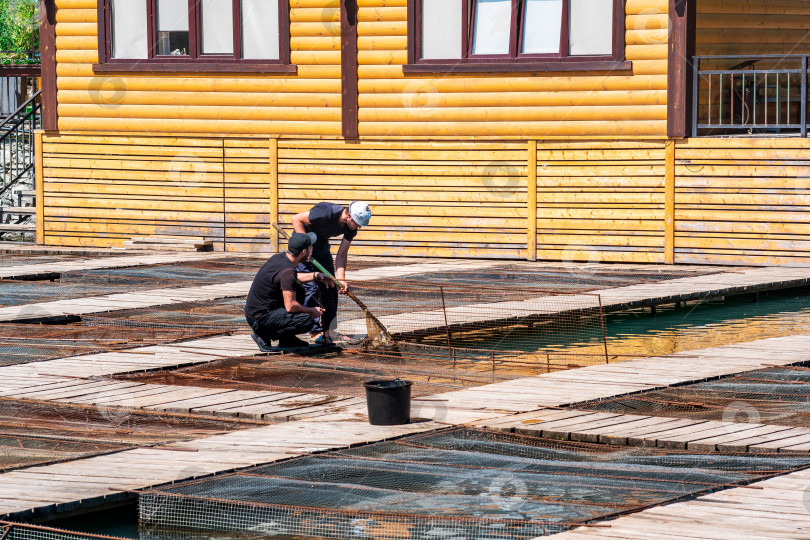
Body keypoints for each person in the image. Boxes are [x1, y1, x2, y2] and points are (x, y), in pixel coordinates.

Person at [291, 201, 371, 344]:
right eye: (358, 223)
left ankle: (329, 331)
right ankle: (315, 331)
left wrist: (340, 279)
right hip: (304, 243)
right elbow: (296, 219)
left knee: (330, 285)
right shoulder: (326, 212)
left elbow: (341, 254)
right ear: (349, 216)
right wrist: (306, 245)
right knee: (311, 288)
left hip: (321, 246)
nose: (359, 227)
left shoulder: (351, 228)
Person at [245, 231, 334, 351]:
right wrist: (312, 311)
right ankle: (262, 335)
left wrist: (317, 275)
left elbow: (292, 279)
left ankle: (287, 339)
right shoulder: (288, 270)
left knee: (299, 289)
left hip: (256, 313)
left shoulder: (280, 258)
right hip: (260, 318)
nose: (311, 250)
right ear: (304, 251)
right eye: (310, 248)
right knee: (306, 321)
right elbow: (290, 306)